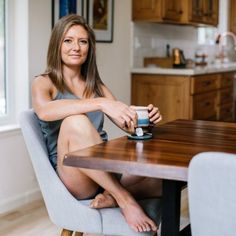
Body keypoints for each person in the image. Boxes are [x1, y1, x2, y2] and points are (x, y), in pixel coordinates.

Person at [32, 14, 162, 233]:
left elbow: (128, 123)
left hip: (103, 171)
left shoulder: (96, 86)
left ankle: (110, 196)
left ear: (89, 48)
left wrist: (147, 118)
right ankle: (124, 199)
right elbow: (44, 111)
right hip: (74, 175)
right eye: (68, 40)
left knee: (165, 180)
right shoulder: (44, 82)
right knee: (76, 122)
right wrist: (99, 103)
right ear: (57, 44)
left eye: (82, 41)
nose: (76, 47)